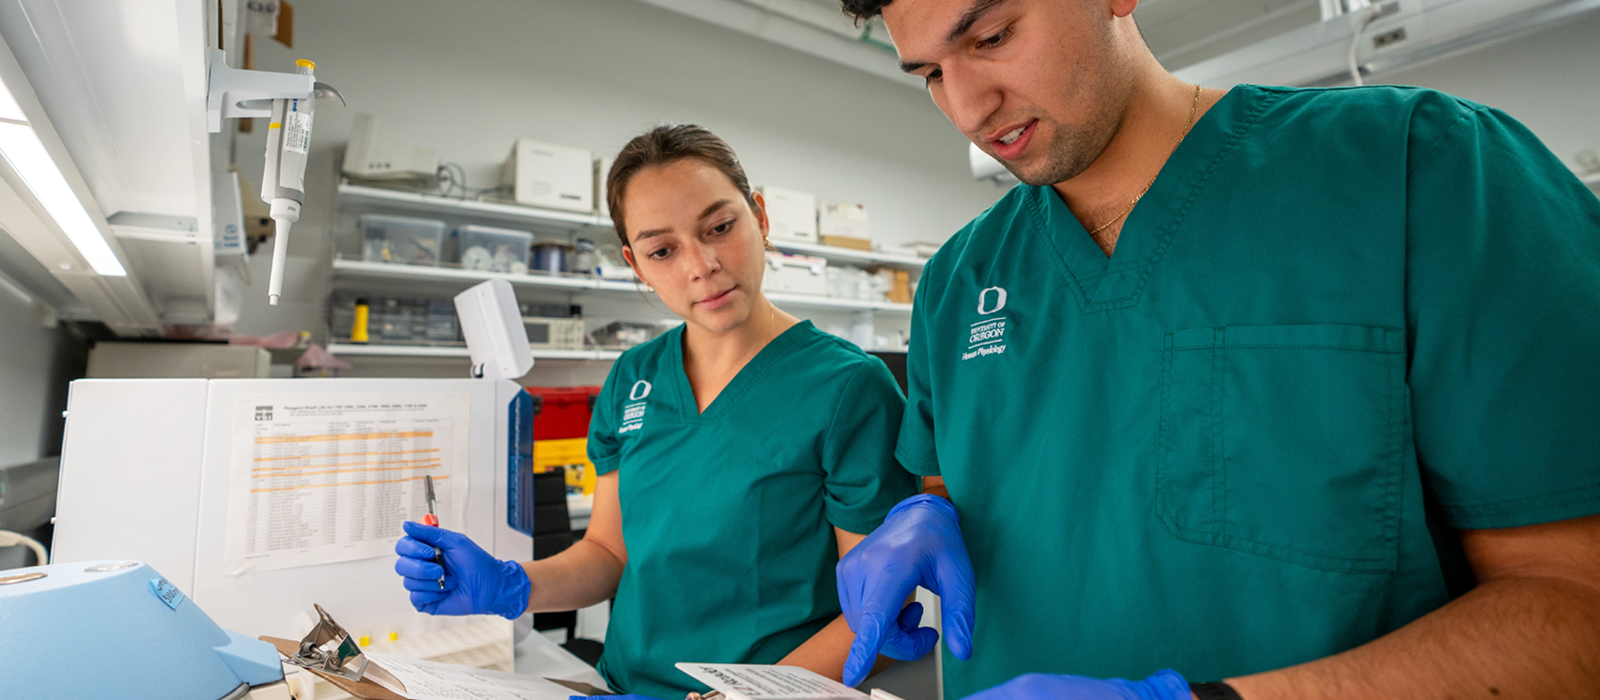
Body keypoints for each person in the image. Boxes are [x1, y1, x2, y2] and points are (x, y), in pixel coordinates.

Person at [827, 0, 1600, 699]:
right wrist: (925, 516)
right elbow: (968, 481)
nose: (967, 106)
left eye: (991, 37)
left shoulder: (1422, 170)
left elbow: (1576, 605)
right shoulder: (959, 281)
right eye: (929, 73)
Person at [395, 125, 917, 698]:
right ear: (635, 264)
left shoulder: (848, 387)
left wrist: (742, 698)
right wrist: (509, 585)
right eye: (662, 250)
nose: (701, 265)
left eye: (720, 227)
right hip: (621, 686)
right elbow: (608, 552)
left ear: (760, 218)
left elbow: (875, 612)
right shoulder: (633, 377)